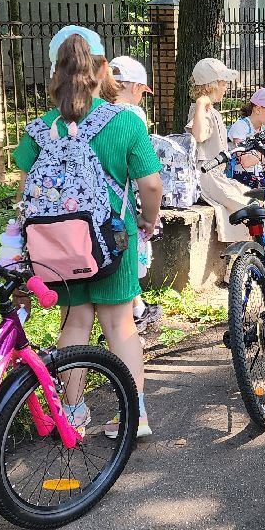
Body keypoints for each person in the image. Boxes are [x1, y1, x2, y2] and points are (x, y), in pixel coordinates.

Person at [13, 32, 163, 438]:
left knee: (76, 322)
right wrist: (148, 220)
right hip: (112, 240)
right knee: (120, 326)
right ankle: (135, 416)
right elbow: (150, 183)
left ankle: (73, 414)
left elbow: (24, 192)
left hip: (58, 245)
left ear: (54, 75)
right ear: (102, 71)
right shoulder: (125, 122)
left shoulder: (38, 130)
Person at [108, 55, 161, 333]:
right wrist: (150, 217)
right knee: (129, 256)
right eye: (142, 90)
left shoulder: (91, 112)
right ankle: (134, 316)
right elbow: (148, 180)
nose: (142, 96)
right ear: (132, 86)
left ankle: (138, 307)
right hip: (124, 202)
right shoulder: (132, 116)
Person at [187, 58, 254, 244]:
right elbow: (199, 134)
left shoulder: (211, 110)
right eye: (223, 83)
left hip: (218, 176)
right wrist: (201, 104)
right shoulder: (203, 109)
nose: (226, 88)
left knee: (254, 199)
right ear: (211, 85)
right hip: (208, 177)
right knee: (249, 206)